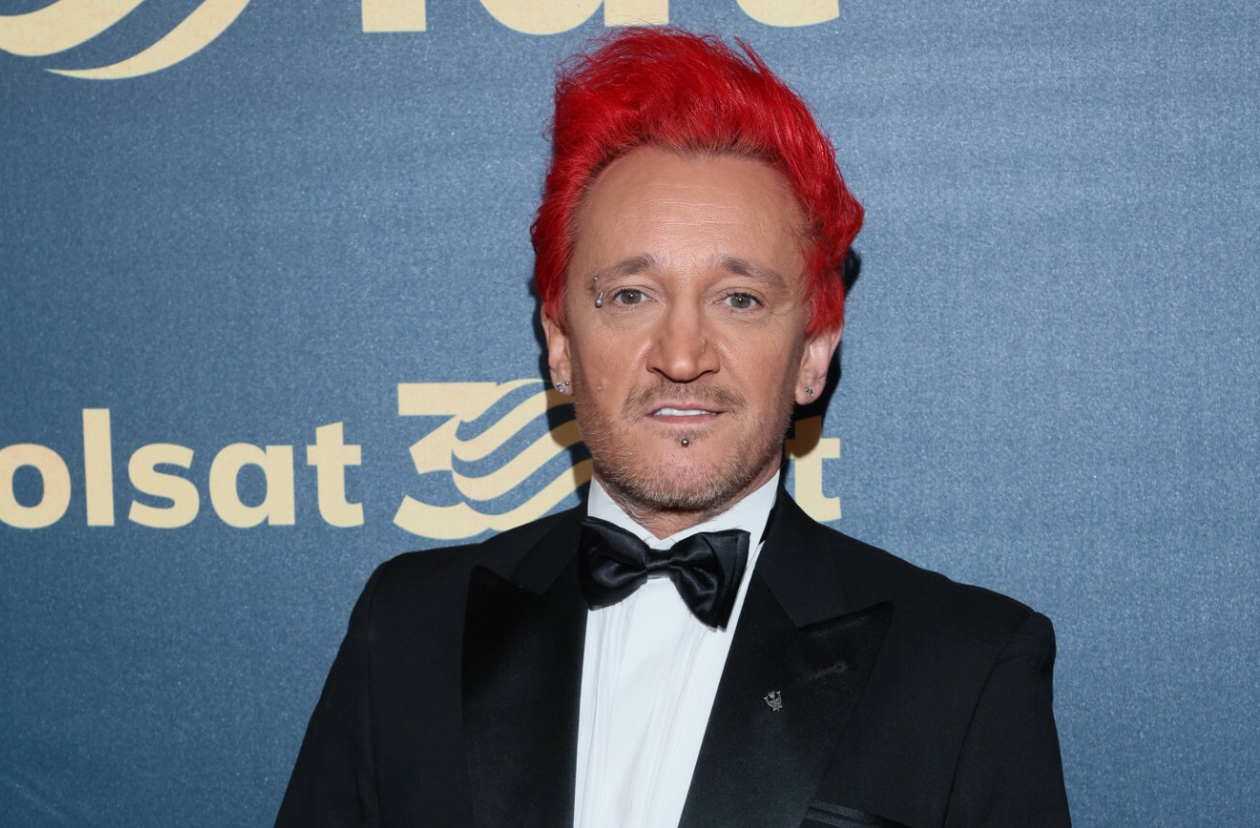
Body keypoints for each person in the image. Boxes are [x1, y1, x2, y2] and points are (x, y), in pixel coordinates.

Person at [276, 27, 1070, 828]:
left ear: (813, 353)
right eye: (631, 296)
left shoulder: (965, 667)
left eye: (739, 299)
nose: (682, 356)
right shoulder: (409, 631)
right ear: (559, 342)